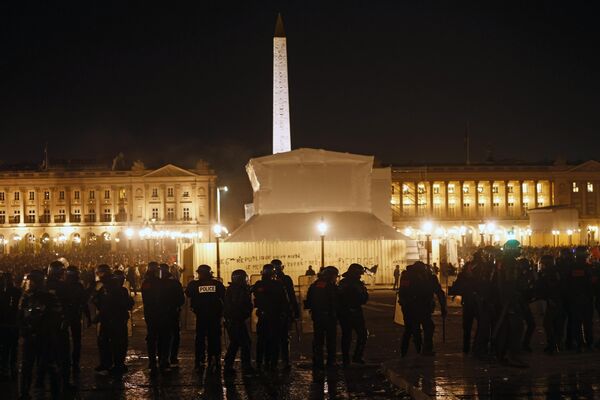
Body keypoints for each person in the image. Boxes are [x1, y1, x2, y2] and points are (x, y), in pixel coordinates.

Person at [19, 270, 63, 400]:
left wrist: (44, 330)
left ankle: (55, 393)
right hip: (30, 337)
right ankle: (24, 393)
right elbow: (20, 315)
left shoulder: (49, 297)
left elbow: (56, 317)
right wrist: (24, 329)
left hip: (46, 338)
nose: (29, 284)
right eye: (28, 282)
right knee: (26, 366)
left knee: (50, 365)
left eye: (32, 282)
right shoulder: (26, 296)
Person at [185, 265, 225, 372]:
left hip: (201, 315)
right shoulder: (217, 284)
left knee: (200, 339)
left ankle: (200, 360)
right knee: (214, 338)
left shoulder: (194, 285)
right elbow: (223, 296)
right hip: (214, 316)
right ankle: (215, 358)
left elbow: (188, 293)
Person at [494, 240, 528, 367]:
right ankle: (512, 355)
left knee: (506, 328)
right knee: (515, 328)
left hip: (505, 300)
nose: (520, 250)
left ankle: (503, 354)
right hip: (510, 300)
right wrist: (510, 302)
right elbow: (509, 284)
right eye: (518, 248)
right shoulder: (510, 263)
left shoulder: (502, 261)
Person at [252, 264, 290, 371]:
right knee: (274, 340)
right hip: (275, 317)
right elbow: (285, 301)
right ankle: (272, 363)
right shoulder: (278, 285)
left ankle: (260, 362)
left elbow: (255, 296)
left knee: (261, 340)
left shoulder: (258, 284)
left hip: (263, 316)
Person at [96, 271, 133, 375]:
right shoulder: (120, 291)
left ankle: (107, 364)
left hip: (108, 320)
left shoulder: (105, 290)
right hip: (118, 321)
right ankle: (117, 364)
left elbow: (97, 302)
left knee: (105, 343)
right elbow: (128, 304)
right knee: (119, 343)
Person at [305, 266, 339, 369]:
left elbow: (309, 300)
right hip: (329, 316)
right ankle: (330, 361)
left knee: (318, 340)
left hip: (317, 316)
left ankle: (318, 361)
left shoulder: (315, 285)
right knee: (330, 340)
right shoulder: (330, 286)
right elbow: (335, 301)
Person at [45, 260, 71, 388]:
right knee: (64, 354)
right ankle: (65, 382)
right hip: (58, 324)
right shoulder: (63, 286)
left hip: (45, 326)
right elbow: (67, 305)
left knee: (48, 354)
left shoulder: (44, 285)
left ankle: (47, 382)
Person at [338, 263, 369, 366]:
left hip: (344, 313)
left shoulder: (342, 283)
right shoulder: (357, 284)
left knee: (346, 336)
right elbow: (363, 298)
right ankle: (357, 356)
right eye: (359, 274)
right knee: (362, 335)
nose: (360, 276)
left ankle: (346, 359)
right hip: (354, 312)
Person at [223, 269, 253, 375]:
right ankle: (246, 367)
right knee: (245, 343)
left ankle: (228, 365)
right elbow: (238, 305)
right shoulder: (238, 290)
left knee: (235, 343)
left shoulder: (234, 289)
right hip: (236, 320)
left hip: (233, 320)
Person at [142, 262, 170, 372]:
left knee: (154, 338)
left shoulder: (148, 282)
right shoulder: (163, 282)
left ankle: (154, 362)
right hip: (160, 314)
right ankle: (161, 361)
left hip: (153, 314)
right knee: (162, 338)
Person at [63, 266, 91, 375]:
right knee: (75, 341)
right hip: (73, 316)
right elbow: (84, 302)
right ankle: (74, 362)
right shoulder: (77, 286)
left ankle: (70, 362)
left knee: (68, 341)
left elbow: (83, 301)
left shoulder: (63, 285)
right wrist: (87, 316)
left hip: (68, 316)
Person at [271, 259, 299, 370]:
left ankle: (273, 362)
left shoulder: (270, 280)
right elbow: (292, 296)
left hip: (275, 313)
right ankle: (284, 361)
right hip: (283, 313)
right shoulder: (285, 279)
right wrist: (296, 312)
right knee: (284, 337)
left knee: (275, 338)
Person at [566, 246, 594, 352]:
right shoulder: (589, 268)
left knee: (576, 323)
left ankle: (578, 343)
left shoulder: (571, 268)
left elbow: (567, 284)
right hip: (585, 299)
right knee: (587, 323)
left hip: (576, 299)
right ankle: (588, 343)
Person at [536, 255, 565, 354]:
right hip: (554, 300)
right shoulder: (553, 272)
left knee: (548, 323)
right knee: (554, 323)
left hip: (554, 301)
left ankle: (553, 345)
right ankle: (556, 344)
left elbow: (554, 287)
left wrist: (551, 298)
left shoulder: (551, 273)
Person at [159, 263, 185, 367]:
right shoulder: (175, 283)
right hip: (172, 313)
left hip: (159, 314)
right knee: (174, 335)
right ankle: (172, 358)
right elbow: (181, 299)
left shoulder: (156, 284)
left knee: (161, 337)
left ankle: (162, 358)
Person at [449, 260, 477, 354]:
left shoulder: (477, 275)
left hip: (477, 303)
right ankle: (466, 348)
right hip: (468, 303)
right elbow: (458, 287)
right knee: (467, 327)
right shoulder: (463, 277)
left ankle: (475, 346)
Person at [0, 272, 21, 381]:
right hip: (10, 325)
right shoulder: (16, 291)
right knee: (11, 348)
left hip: (8, 325)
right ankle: (10, 367)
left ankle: (7, 367)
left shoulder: (12, 292)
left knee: (7, 348)